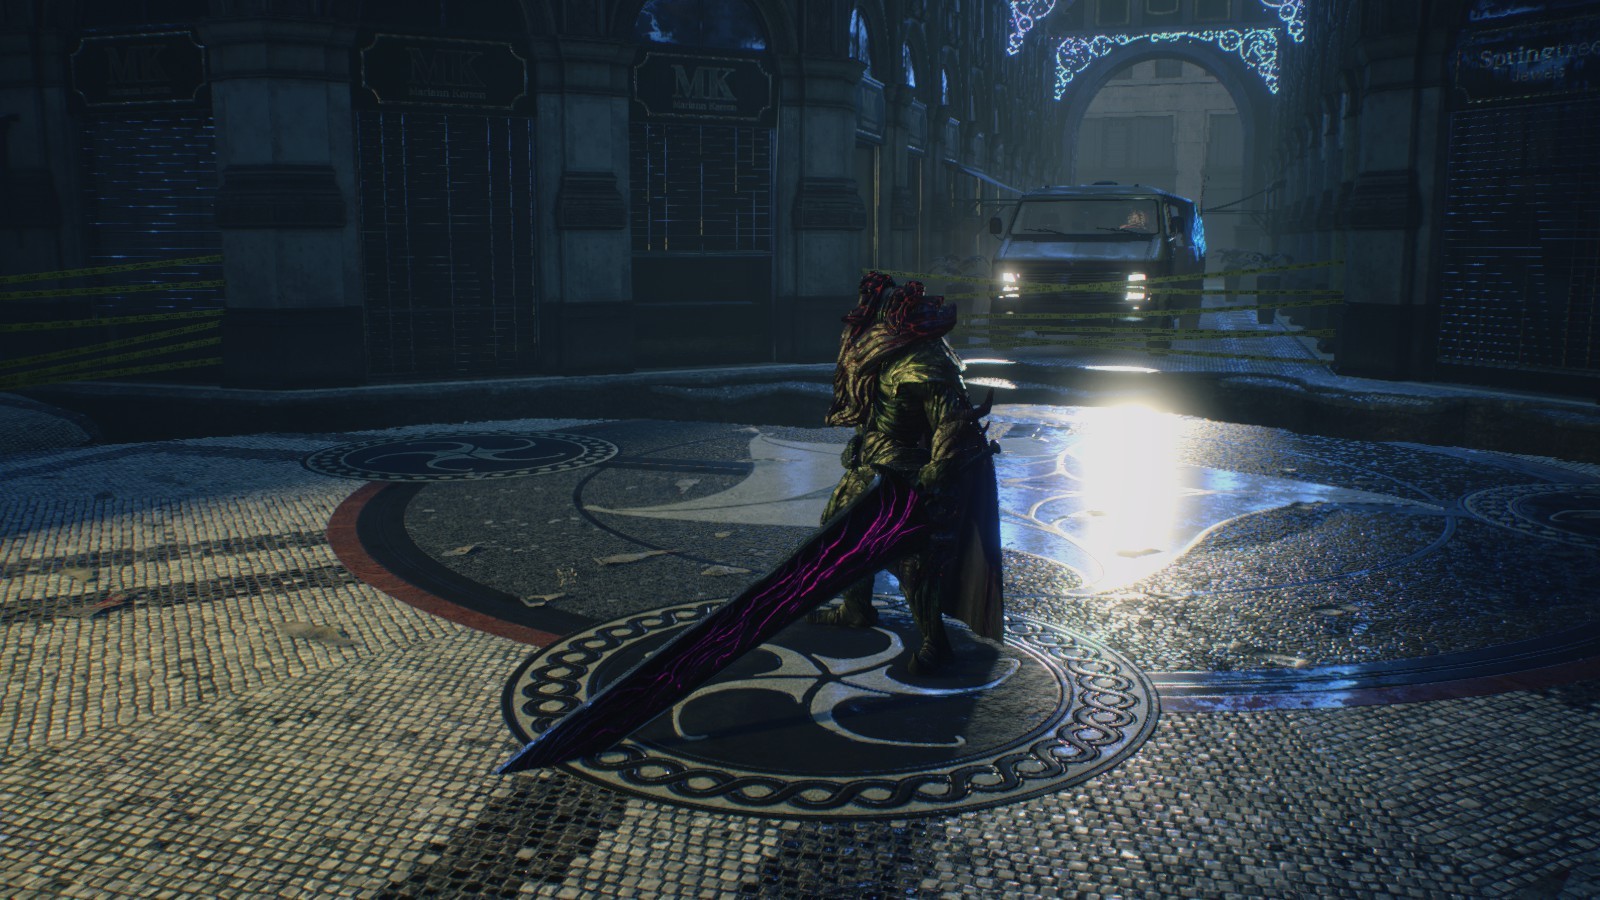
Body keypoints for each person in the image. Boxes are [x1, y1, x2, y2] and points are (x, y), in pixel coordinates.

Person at [810, 272, 1005, 674]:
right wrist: (860, 443)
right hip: (873, 462)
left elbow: (951, 422)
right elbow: (875, 412)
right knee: (840, 530)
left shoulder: (926, 362)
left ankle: (936, 641)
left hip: (909, 473)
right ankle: (856, 609)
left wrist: (937, 471)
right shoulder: (881, 353)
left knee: (912, 556)